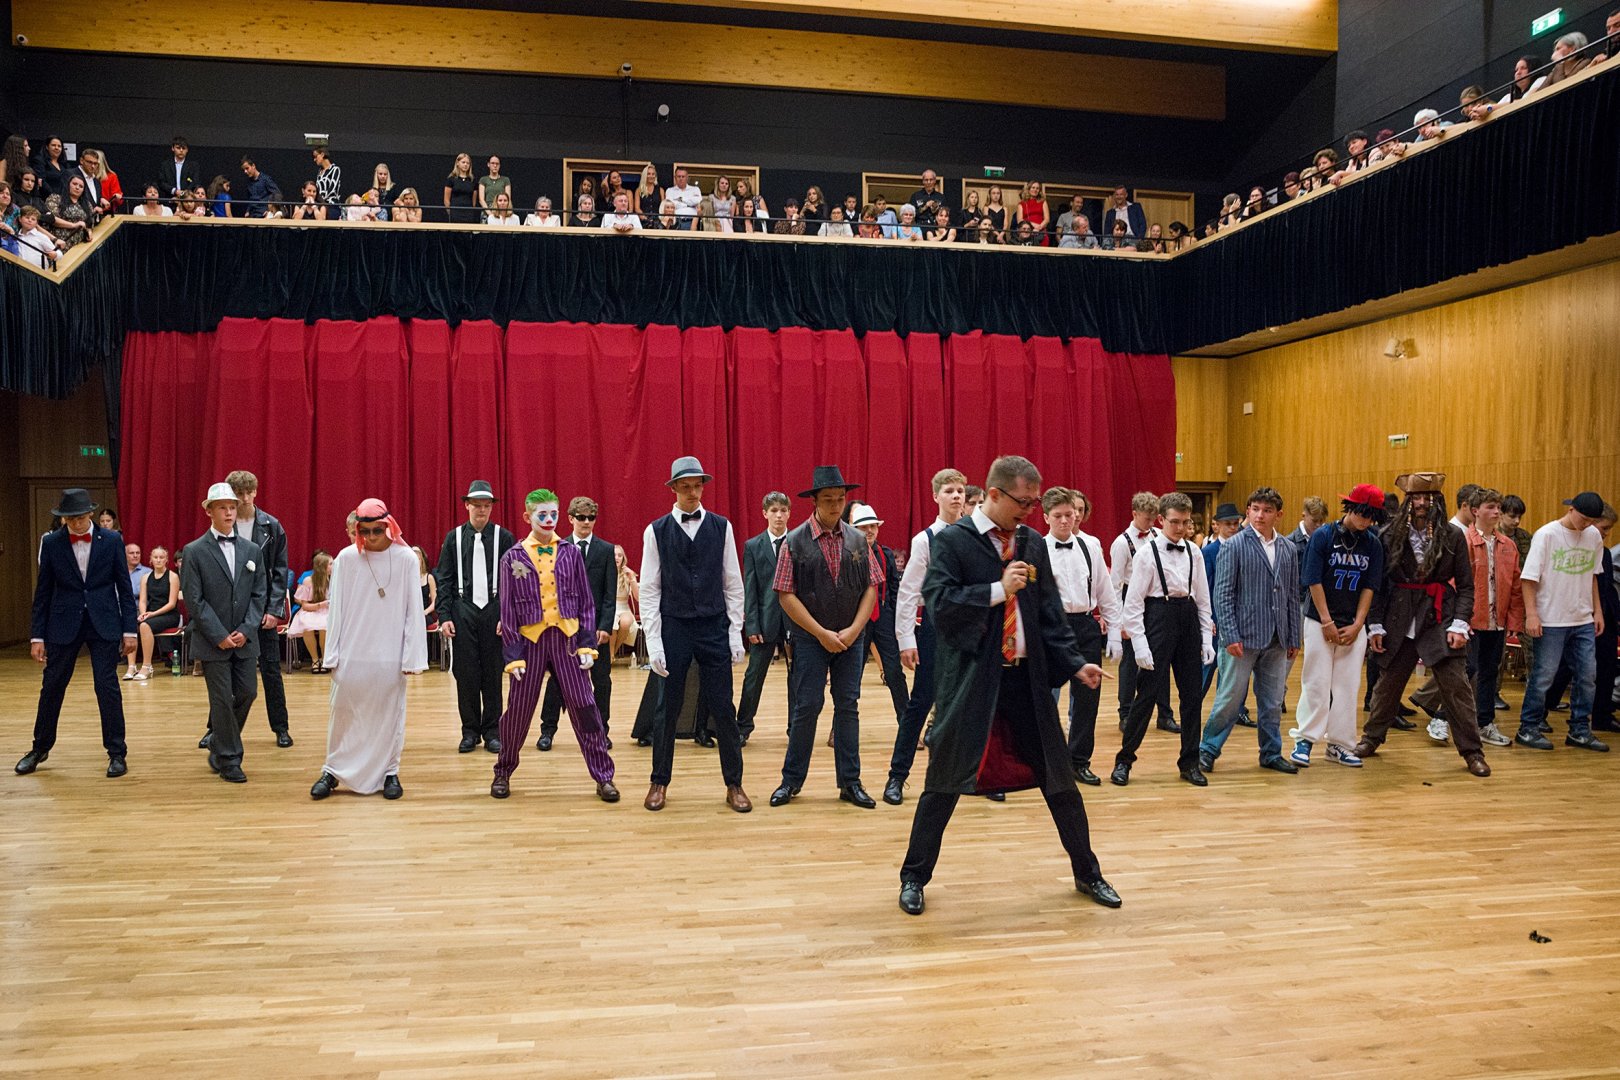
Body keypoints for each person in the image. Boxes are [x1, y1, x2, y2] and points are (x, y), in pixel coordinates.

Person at [896, 456, 1117, 917]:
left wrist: (1075, 663)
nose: (1031, 511)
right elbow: (939, 604)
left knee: (1061, 781)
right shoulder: (953, 541)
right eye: (1024, 502)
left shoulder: (1031, 543)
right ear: (994, 494)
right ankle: (913, 877)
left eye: (1035, 502)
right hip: (972, 682)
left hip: (1025, 681)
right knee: (943, 782)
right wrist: (998, 590)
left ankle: (1088, 873)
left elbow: (1049, 613)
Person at [1353, 473, 1490, 776]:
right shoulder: (1389, 534)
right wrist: (1375, 625)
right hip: (1398, 618)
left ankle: (1472, 752)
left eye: (1428, 498)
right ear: (1408, 501)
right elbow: (1377, 585)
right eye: (1416, 497)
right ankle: (1371, 738)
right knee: (1387, 686)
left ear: (1437, 501)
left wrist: (1459, 624)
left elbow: (1466, 586)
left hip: (1439, 618)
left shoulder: (1452, 535)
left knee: (1457, 687)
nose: (1422, 503)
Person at [486, 490, 618, 801]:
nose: (548, 520)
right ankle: (503, 771)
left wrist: (587, 643)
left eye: (553, 515)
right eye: (542, 515)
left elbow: (586, 602)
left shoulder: (570, 553)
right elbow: (507, 611)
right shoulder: (513, 557)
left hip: (567, 641)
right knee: (518, 711)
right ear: (527, 517)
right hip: (530, 643)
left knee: (585, 707)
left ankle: (604, 776)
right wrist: (513, 655)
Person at [639, 456, 752, 812]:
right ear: (673, 489)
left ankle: (734, 783)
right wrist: (654, 642)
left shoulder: (722, 527)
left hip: (713, 625)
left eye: (697, 486)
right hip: (674, 626)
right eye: (685, 486)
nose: (692, 492)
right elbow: (649, 590)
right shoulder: (655, 531)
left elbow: (733, 583)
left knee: (723, 706)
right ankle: (659, 781)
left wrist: (734, 633)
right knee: (667, 707)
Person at [767, 468, 882, 809]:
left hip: (850, 639)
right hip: (809, 639)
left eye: (840, 499)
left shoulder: (858, 540)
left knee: (848, 707)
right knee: (806, 707)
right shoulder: (794, 541)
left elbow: (871, 588)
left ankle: (850, 782)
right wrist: (820, 633)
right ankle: (791, 781)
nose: (835, 505)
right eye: (828, 499)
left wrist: (854, 630)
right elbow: (785, 594)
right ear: (814, 502)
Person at [308, 499, 428, 801]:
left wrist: (412, 656)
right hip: (352, 652)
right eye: (365, 531)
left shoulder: (406, 559)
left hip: (390, 655)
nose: (371, 537)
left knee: (390, 717)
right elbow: (336, 611)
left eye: (377, 530)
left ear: (388, 527)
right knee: (343, 715)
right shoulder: (347, 558)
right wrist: (331, 656)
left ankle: (390, 772)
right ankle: (332, 771)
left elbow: (414, 610)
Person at [16, 489, 137, 779]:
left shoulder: (112, 540)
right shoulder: (52, 542)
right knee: (52, 686)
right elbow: (43, 591)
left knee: (106, 686)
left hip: (103, 621)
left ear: (91, 514)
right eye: (70, 519)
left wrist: (129, 630)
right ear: (63, 519)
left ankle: (116, 752)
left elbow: (124, 587)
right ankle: (39, 748)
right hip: (63, 623)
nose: (76, 524)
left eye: (80, 518)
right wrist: (37, 636)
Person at [1196, 487, 1303, 777]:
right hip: (1241, 637)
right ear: (1248, 511)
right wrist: (1230, 635)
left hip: (1277, 637)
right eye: (1255, 509)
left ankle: (1271, 752)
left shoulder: (1288, 548)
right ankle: (1207, 750)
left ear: (1278, 515)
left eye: (1267, 510)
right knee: (1230, 699)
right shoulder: (1234, 545)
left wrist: (1294, 636)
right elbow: (1223, 594)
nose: (1260, 515)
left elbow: (1292, 595)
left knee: (1272, 702)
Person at [1113, 492, 1214, 785]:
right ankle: (1124, 761)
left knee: (1192, 697)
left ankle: (1189, 762)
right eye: (1174, 522)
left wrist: (1206, 639)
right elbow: (1133, 605)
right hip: (1158, 617)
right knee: (1146, 696)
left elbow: (1203, 600)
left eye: (1185, 522)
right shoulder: (1146, 554)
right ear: (1161, 520)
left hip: (1188, 619)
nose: (1180, 528)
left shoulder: (1194, 552)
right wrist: (1140, 644)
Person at [886, 468, 967, 804]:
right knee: (920, 704)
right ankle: (897, 776)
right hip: (935, 630)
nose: (956, 495)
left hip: (970, 631)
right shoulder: (925, 540)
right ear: (936, 496)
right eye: (949, 490)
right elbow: (908, 594)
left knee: (970, 703)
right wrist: (906, 639)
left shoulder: (976, 535)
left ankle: (975, 774)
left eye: (960, 490)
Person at [1289, 486, 1386, 767]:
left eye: (1371, 517)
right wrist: (1326, 621)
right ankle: (1305, 740)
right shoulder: (1323, 536)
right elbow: (1313, 580)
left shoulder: (1373, 544)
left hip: (1353, 625)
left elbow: (1370, 586)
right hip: (1319, 620)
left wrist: (1359, 624)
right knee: (1316, 682)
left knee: (1347, 686)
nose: (1365, 521)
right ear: (1350, 508)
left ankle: (1340, 745)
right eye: (1362, 514)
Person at [181, 482, 269, 785]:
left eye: (232, 507)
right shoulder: (194, 551)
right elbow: (194, 600)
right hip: (212, 640)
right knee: (220, 698)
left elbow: (259, 594)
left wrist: (246, 629)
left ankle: (219, 742)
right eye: (222, 507)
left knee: (247, 692)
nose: (229, 512)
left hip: (244, 639)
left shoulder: (252, 550)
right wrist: (218, 634)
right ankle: (230, 759)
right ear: (209, 511)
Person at [1514, 491, 1609, 752]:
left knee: (1587, 676)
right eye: (1584, 518)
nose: (1587, 525)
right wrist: (1532, 614)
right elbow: (1528, 579)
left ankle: (1579, 730)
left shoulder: (1593, 536)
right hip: (1551, 618)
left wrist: (1597, 611)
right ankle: (1528, 727)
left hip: (1582, 618)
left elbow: (1593, 576)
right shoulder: (1546, 535)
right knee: (1544, 675)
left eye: (1592, 521)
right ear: (1571, 510)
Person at [1043, 487, 1122, 786]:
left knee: (1088, 698)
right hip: (1052, 627)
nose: (1066, 520)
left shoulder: (1090, 547)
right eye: (1059, 516)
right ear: (1046, 517)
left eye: (1070, 514)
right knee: (1046, 698)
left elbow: (1106, 591)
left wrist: (1114, 633)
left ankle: (1079, 761)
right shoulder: (1038, 548)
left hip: (1085, 625)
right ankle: (1049, 761)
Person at [433, 480, 515, 753]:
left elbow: (513, 581)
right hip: (463, 608)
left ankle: (493, 732)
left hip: (494, 610)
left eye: (486, 505)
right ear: (467, 505)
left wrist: (508, 615)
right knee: (466, 673)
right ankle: (469, 732)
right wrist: (445, 615)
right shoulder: (453, 538)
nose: (481, 510)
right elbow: (444, 579)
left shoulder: (504, 537)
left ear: (492, 507)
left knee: (492, 672)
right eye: (476, 505)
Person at [538, 496, 619, 752]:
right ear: (570, 518)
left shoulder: (606, 550)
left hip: (595, 630)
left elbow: (610, 594)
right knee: (557, 681)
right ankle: (547, 731)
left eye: (591, 518)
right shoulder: (557, 548)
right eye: (581, 517)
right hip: (564, 628)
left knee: (601, 681)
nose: (586, 522)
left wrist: (605, 626)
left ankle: (600, 731)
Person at [227, 470, 293, 748]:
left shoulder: (272, 526)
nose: (244, 498)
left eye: (248, 492)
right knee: (226, 674)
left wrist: (274, 609)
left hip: (264, 608)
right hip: (232, 609)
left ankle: (281, 727)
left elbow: (280, 571)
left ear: (255, 491)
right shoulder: (224, 524)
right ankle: (217, 728)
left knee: (270, 671)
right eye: (239, 493)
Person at [1462, 489, 1524, 749]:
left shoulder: (1508, 545)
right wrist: (1457, 619)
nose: (1497, 511)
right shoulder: (1464, 540)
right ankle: (1442, 718)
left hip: (1496, 621)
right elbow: (1455, 582)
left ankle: (1485, 723)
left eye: (1498, 507)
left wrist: (1515, 622)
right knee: (1466, 670)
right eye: (1491, 507)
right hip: (1469, 620)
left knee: (1489, 672)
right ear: (1476, 511)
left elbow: (1516, 587)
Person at [1110, 492, 1176, 731]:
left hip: (1156, 599)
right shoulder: (1121, 543)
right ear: (1134, 514)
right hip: (1131, 597)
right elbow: (1115, 585)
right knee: (1130, 661)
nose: (1150, 523)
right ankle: (1125, 713)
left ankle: (1164, 714)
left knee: (1161, 658)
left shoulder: (1158, 535)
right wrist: (1120, 621)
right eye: (1146, 518)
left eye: (1153, 518)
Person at [738, 491, 792, 745]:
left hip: (795, 621)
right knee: (753, 677)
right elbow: (751, 587)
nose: (779, 515)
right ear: (765, 514)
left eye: (783, 510)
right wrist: (752, 625)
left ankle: (796, 729)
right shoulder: (753, 546)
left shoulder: (798, 541)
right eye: (774, 511)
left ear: (789, 513)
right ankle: (742, 726)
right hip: (765, 620)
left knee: (798, 678)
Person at [853, 502, 909, 745]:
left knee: (895, 672)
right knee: (852, 676)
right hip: (858, 620)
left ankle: (907, 728)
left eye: (873, 526)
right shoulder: (848, 553)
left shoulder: (885, 554)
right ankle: (839, 729)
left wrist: (895, 619)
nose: (869, 531)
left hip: (883, 617)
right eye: (864, 527)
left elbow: (895, 587)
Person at [134, 545, 182, 678]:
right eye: (156, 557)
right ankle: (131, 666)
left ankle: (147, 666)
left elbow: (172, 603)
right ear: (151, 559)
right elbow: (143, 601)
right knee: (132, 624)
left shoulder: (173, 576)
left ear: (166, 560)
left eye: (162, 557)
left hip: (169, 615)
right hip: (151, 614)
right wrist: (143, 613)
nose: (159, 560)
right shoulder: (145, 577)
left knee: (144, 625)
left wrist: (151, 614)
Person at [288, 551, 332, 671]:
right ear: (323, 566)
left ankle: (324, 659)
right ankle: (315, 659)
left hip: (326, 611)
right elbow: (305, 605)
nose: (333, 566)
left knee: (325, 626)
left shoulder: (333, 580)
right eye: (330, 564)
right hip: (311, 609)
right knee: (307, 625)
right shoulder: (308, 580)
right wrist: (321, 604)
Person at [123, 543, 152, 681]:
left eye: (138, 553)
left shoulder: (147, 572)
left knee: (131, 621)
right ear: (125, 555)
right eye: (131, 553)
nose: (135, 556)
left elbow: (144, 597)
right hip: (119, 609)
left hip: (139, 609)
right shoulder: (119, 571)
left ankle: (132, 666)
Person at [443, 153, 478, 223]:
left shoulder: (472, 180)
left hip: (469, 212)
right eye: (463, 162)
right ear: (457, 163)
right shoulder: (451, 179)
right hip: (455, 212)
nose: (465, 165)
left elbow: (474, 200)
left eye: (468, 163)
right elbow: (446, 199)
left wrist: (471, 210)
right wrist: (450, 212)